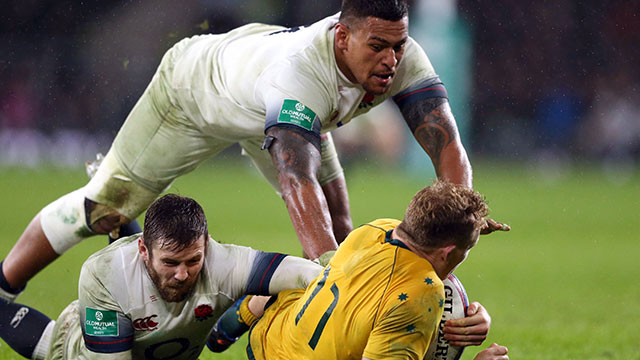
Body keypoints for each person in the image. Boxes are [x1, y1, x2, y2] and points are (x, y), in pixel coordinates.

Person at [0, 0, 509, 302]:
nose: (390, 60)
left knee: (344, 227)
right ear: (341, 36)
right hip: (192, 94)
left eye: (397, 46)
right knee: (105, 205)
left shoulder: (400, 55)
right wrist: (329, 279)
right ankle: (4, 284)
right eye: (376, 46)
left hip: (261, 96)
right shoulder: (300, 77)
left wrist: (461, 219)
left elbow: (447, 146)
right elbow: (296, 180)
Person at [0, 194, 324, 359]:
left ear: (207, 245)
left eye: (193, 260)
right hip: (89, 337)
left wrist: (340, 279)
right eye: (171, 262)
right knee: (53, 347)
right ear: (143, 249)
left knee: (217, 322)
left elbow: (300, 272)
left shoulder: (223, 261)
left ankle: (117, 211)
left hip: (147, 312)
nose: (183, 274)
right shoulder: (102, 276)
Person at [217, 180, 509, 359]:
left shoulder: (375, 229)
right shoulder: (421, 294)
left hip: (271, 338)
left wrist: (469, 228)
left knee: (318, 271)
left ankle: (237, 318)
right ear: (448, 251)